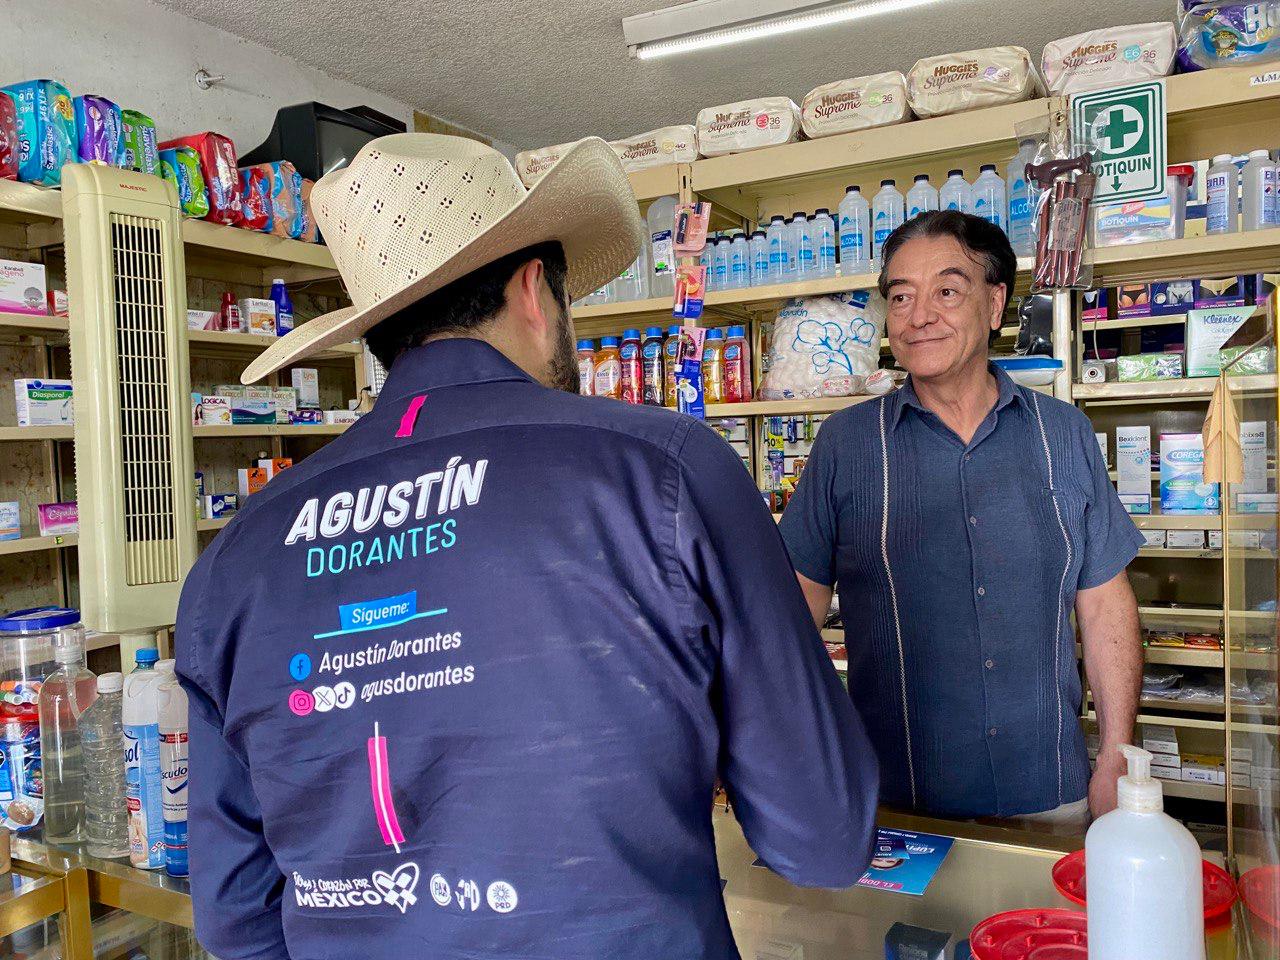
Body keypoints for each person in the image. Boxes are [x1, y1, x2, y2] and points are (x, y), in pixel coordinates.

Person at [175, 133, 878, 960]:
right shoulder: (666, 470)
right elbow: (823, 837)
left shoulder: (237, 556)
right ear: (534, 290)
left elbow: (236, 919)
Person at [780, 210, 1143, 831]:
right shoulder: (846, 445)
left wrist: (1116, 754)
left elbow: (1106, 605)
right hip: (892, 796)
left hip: (1046, 786)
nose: (919, 316)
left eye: (947, 291)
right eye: (901, 297)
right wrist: (783, 752)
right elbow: (791, 615)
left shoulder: (1064, 435)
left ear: (995, 304)